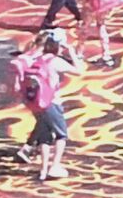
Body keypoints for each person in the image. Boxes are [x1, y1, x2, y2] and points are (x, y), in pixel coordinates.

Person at [12, 30, 83, 181]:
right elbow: (79, 71)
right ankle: (55, 166)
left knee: (44, 136)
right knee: (61, 135)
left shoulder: (37, 60)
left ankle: (43, 170)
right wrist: (72, 52)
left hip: (36, 103)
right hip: (52, 102)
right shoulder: (55, 61)